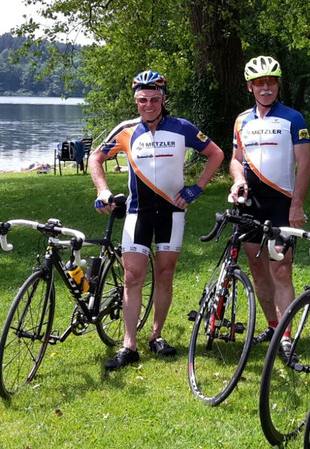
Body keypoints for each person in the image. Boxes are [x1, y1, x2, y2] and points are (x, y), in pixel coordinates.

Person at [89, 70, 225, 370]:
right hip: (138, 213)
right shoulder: (126, 130)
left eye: (154, 99)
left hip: (172, 212)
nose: (148, 105)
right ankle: (129, 345)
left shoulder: (182, 128)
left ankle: (156, 335)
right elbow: (95, 158)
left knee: (164, 273)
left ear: (163, 99)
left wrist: (197, 188)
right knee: (132, 276)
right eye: (142, 100)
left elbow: (216, 153)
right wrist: (102, 190)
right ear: (135, 101)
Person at [229, 56, 310, 352]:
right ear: (250, 87)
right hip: (251, 204)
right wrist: (238, 178)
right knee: (257, 267)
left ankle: (286, 336)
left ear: (278, 84)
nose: (266, 88)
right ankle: (273, 326)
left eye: (271, 82)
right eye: (259, 83)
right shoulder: (242, 120)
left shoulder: (293, 118)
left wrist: (296, 205)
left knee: (281, 269)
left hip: (281, 204)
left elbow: (304, 164)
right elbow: (235, 160)